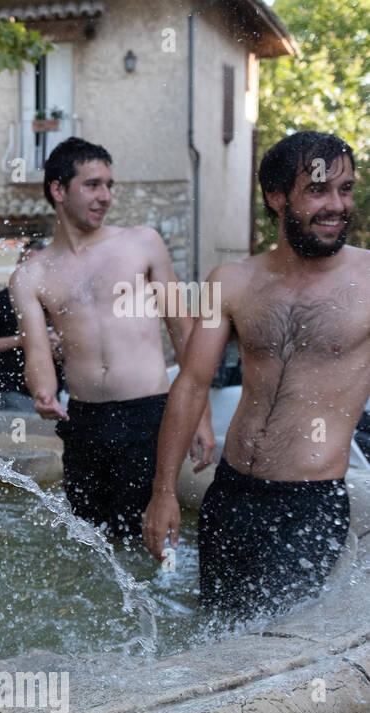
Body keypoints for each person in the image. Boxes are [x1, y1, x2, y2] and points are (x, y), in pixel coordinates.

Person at [144, 131, 369, 617]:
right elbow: (190, 383)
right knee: (214, 637)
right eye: (318, 190)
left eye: (345, 189)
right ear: (276, 196)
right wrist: (163, 493)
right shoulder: (229, 281)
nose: (336, 205)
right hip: (231, 494)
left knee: (274, 659)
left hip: (308, 504)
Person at [11, 137, 215, 539]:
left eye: (109, 185)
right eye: (92, 185)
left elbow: (184, 328)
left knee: (147, 540)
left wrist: (200, 416)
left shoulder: (142, 243)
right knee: (91, 544)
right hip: (84, 421)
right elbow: (36, 352)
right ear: (58, 189)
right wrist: (43, 393)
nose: (105, 196)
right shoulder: (30, 275)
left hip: (148, 414)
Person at [0, 238, 65, 412]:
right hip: (12, 390)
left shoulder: (56, 298)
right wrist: (22, 340)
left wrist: (59, 345)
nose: (33, 270)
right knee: (20, 438)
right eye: (28, 263)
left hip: (54, 392)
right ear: (18, 264)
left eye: (39, 265)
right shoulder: (1, 300)